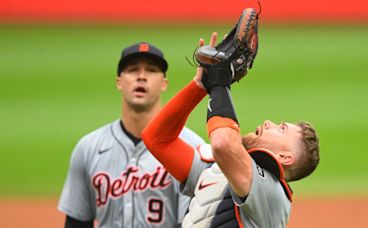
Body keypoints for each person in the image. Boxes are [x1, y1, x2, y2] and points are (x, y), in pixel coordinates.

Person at [142, 33, 320, 228]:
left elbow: (223, 143)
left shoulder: (272, 194)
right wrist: (200, 86)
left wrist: (219, 83)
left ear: (285, 157)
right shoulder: (218, 170)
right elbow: (158, 139)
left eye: (282, 128)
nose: (269, 122)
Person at [58, 42, 205, 228]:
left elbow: (190, 223)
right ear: (119, 81)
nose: (141, 77)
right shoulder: (88, 148)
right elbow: (77, 223)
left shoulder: (190, 147)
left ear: (164, 84)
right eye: (133, 70)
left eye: (151, 70)